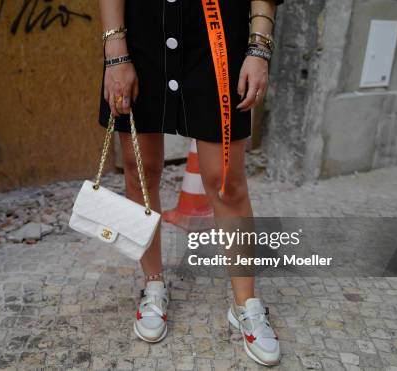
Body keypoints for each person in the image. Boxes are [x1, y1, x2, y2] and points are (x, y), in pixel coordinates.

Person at [98, 0, 282, 366]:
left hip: (217, 29)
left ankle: (245, 304)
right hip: (140, 32)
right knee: (140, 169)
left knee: (226, 178)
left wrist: (258, 48)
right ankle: (153, 285)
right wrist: (115, 51)